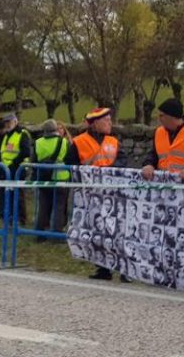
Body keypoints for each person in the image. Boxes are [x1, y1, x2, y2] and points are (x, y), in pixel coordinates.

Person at [65, 107, 128, 281]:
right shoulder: (79, 141)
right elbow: (70, 164)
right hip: (90, 195)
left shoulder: (114, 141)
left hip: (112, 194)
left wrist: (109, 171)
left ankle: (124, 270)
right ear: (94, 124)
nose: (110, 123)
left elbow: (123, 160)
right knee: (97, 231)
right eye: (106, 120)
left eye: (110, 119)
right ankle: (103, 269)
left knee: (117, 231)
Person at [33, 119, 69, 237]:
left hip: (44, 177)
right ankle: (57, 232)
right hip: (60, 177)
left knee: (43, 205)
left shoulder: (38, 142)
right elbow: (68, 158)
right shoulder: (63, 142)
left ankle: (40, 232)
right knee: (59, 206)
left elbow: (33, 160)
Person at [0, 114, 30, 224]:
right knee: (9, 194)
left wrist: (13, 163)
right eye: (6, 122)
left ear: (15, 121)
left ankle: (21, 218)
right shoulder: (7, 135)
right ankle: (11, 217)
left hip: (17, 168)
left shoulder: (22, 134)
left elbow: (26, 152)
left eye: (9, 122)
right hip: (6, 168)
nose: (7, 124)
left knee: (18, 194)